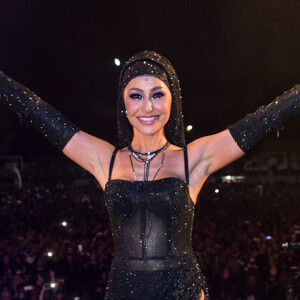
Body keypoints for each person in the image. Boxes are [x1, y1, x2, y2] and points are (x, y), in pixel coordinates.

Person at [1, 50, 300, 300]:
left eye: (157, 94)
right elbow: (38, 112)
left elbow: (265, 120)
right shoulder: (105, 159)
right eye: (136, 95)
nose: (147, 106)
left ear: (173, 100)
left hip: (181, 288)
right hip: (123, 289)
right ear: (123, 104)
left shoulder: (192, 159)